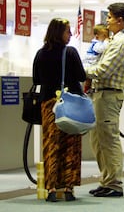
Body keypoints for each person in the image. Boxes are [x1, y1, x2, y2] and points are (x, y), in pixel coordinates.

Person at [32, 18, 86, 202]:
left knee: (51, 145)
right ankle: (69, 188)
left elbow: (36, 79)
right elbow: (81, 75)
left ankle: (52, 188)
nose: (70, 35)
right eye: (67, 31)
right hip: (70, 104)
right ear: (59, 33)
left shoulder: (40, 53)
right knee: (71, 145)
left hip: (48, 104)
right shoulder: (70, 53)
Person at [86, 3, 124, 197]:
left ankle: (114, 183)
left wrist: (81, 71)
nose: (107, 21)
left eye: (109, 17)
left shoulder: (121, 41)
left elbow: (104, 70)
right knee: (98, 140)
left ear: (120, 20)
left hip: (109, 94)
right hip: (101, 93)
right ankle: (106, 180)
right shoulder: (115, 40)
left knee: (109, 139)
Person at [83, 24, 110, 93]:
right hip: (89, 64)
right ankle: (86, 89)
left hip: (92, 63)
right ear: (97, 36)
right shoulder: (97, 43)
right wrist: (107, 41)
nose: (106, 38)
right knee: (89, 79)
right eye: (104, 36)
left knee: (90, 79)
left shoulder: (100, 42)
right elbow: (101, 49)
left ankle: (88, 89)